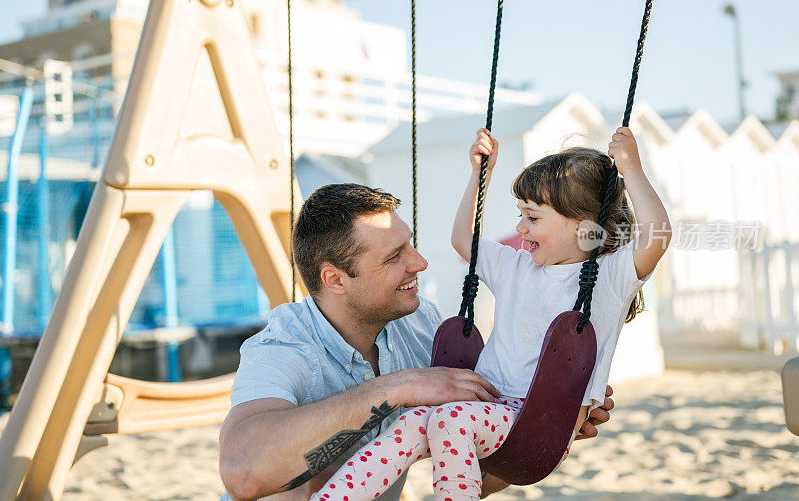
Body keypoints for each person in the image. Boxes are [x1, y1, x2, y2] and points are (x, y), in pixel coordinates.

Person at [310, 126, 670, 501]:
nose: (520, 228)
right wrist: (479, 176)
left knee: (450, 419)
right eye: (521, 215)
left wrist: (633, 170)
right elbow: (462, 240)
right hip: (487, 407)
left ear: (582, 226)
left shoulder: (607, 279)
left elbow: (658, 236)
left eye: (532, 218)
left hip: (541, 424)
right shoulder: (517, 267)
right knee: (412, 422)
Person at [218, 183, 616, 501]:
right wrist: (397, 387)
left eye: (410, 243)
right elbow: (243, 474)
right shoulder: (284, 345)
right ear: (335, 280)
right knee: (293, 485)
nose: (419, 262)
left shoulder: (420, 322)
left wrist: (537, 427)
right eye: (395, 256)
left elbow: (476, 473)